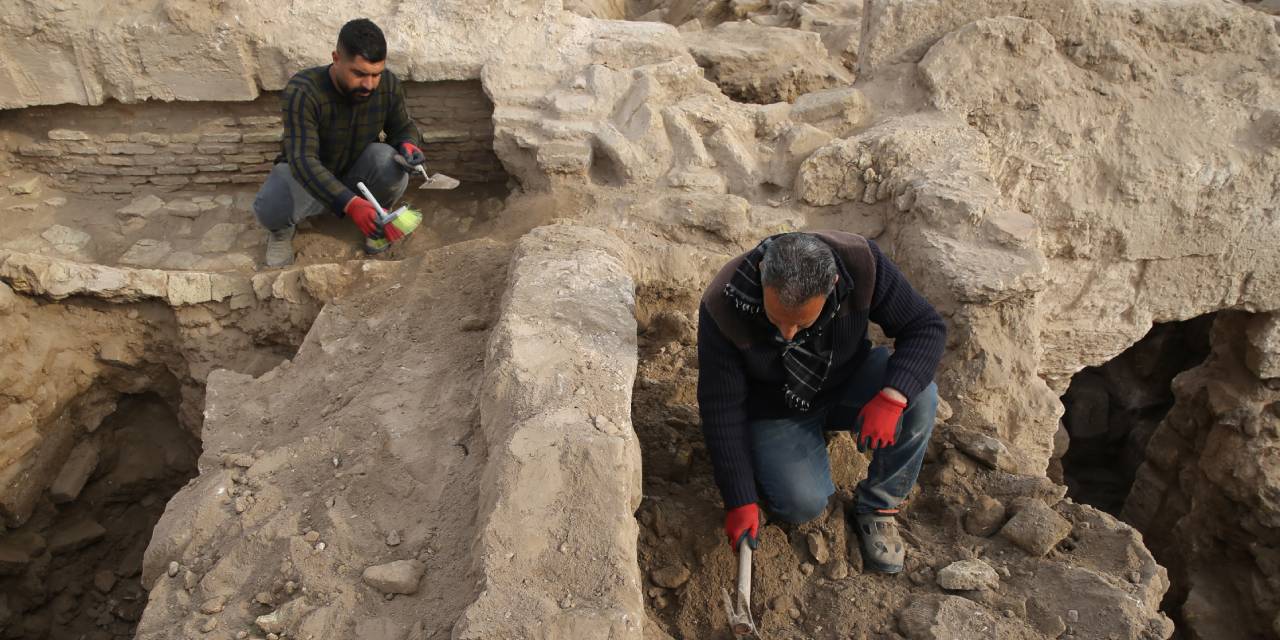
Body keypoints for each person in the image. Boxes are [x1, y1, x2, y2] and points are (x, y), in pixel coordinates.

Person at [697, 231, 946, 573]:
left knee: (921, 395)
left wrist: (892, 397)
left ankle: (879, 505)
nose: (786, 334)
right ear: (761, 274)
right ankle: (783, 457)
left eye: (801, 322)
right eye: (776, 319)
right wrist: (739, 497)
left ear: (833, 286)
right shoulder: (724, 303)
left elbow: (925, 327)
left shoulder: (862, 264)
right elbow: (721, 408)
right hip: (775, 409)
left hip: (846, 379)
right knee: (802, 504)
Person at [253, 18, 426, 267]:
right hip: (310, 182)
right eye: (359, 74)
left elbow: (402, 127)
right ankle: (281, 232)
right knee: (272, 202)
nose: (369, 84)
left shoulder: (387, 84)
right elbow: (303, 160)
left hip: (357, 174)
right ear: (336, 58)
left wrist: (408, 144)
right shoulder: (304, 91)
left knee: (389, 161)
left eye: (376, 74)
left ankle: (378, 218)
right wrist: (351, 204)